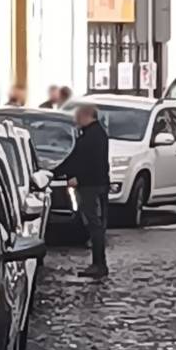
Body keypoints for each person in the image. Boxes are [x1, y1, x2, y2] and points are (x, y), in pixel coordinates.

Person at [54, 105, 110, 278]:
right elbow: (78, 159)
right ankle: (98, 263)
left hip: (91, 186)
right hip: (95, 184)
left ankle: (99, 264)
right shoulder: (95, 134)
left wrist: (76, 177)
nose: (76, 120)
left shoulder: (93, 136)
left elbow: (88, 162)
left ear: (87, 116)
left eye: (78, 116)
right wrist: (58, 172)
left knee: (95, 225)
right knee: (95, 224)